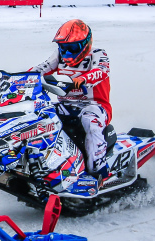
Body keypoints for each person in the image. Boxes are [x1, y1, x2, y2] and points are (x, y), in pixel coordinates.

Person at [28, 19, 111, 185]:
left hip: (94, 106)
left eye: (72, 48)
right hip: (66, 105)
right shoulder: (59, 56)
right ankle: (42, 163)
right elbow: (42, 67)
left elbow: (101, 71)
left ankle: (99, 172)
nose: (67, 52)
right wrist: (23, 76)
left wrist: (82, 79)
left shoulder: (98, 54)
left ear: (86, 44)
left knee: (90, 122)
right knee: (39, 115)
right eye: (63, 47)